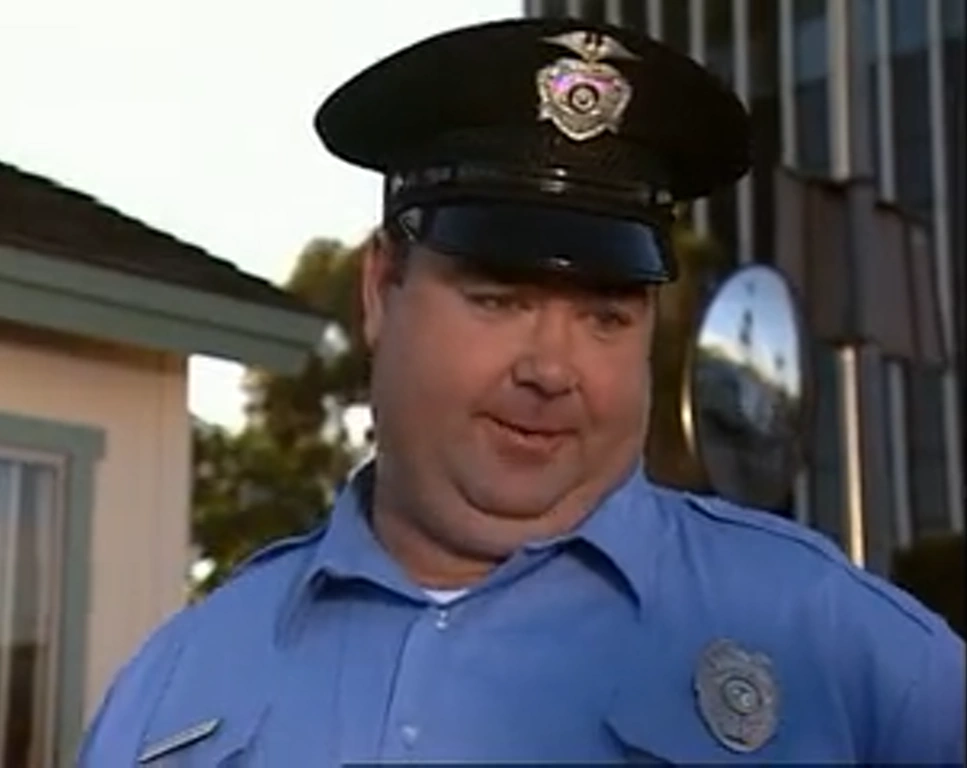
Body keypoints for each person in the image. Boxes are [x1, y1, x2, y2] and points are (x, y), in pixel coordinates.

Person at [78, 17, 964, 765]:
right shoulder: (176, 686)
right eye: (498, 298)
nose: (550, 368)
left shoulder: (834, 646)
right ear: (381, 289)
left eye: (606, 315)